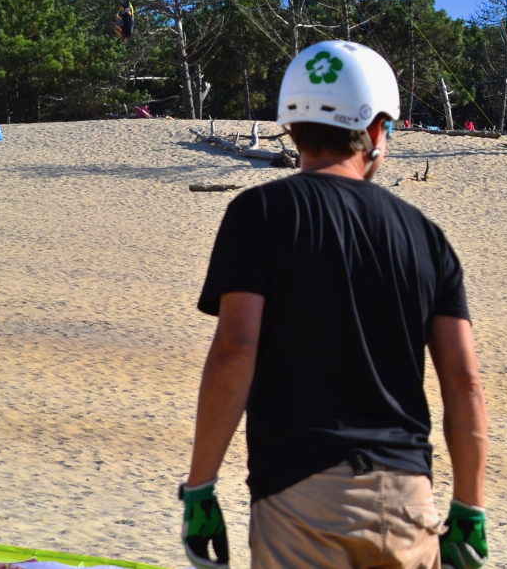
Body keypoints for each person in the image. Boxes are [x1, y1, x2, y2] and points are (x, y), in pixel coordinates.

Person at [181, 41, 490, 569]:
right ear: (372, 132)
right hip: (409, 505)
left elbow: (235, 352)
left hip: (300, 501)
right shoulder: (428, 237)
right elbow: (464, 384)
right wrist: (469, 507)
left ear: (292, 128)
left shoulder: (259, 213)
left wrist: (200, 487)